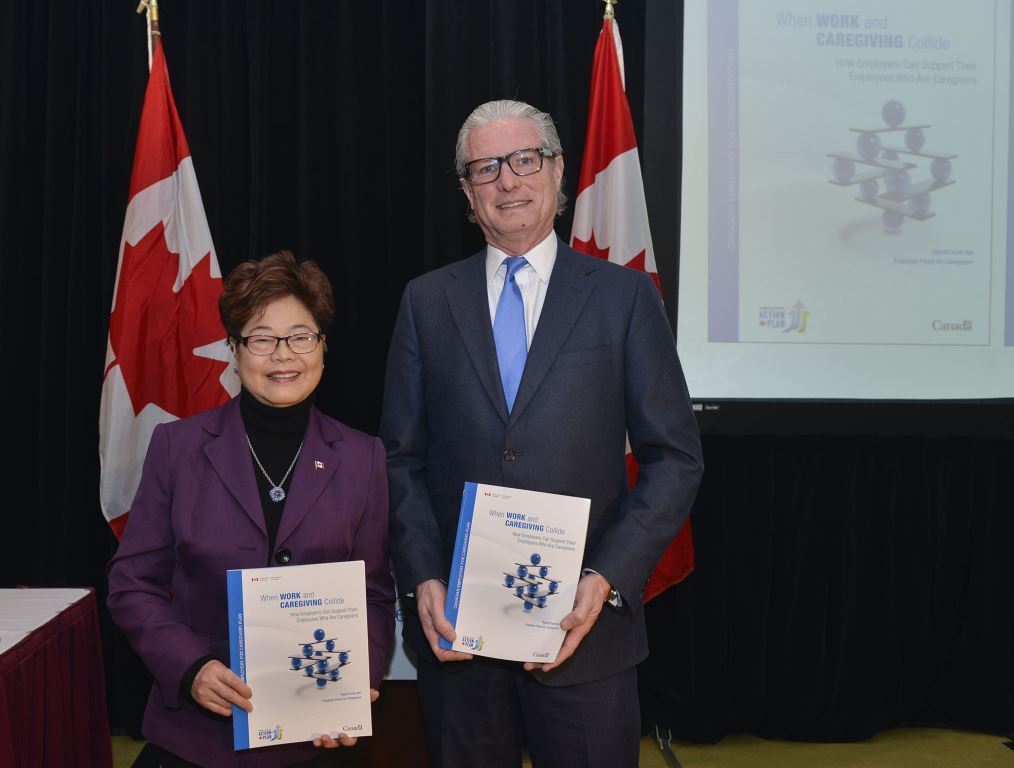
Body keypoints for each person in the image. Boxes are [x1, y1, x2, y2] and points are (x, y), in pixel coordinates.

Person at [381, 100, 704, 767]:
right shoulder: (426, 301)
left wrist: (608, 576)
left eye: (525, 160)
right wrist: (422, 579)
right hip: (460, 637)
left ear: (557, 172)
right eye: (487, 168)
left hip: (583, 633)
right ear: (467, 192)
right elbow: (400, 459)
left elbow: (675, 457)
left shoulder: (625, 297)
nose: (509, 181)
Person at [108, 251, 395, 768]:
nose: (283, 355)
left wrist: (353, 687)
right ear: (234, 350)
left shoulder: (363, 457)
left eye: (301, 336)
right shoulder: (177, 448)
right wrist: (190, 667)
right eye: (261, 338)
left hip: (317, 737)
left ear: (322, 347)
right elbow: (133, 585)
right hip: (196, 736)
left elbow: (373, 594)